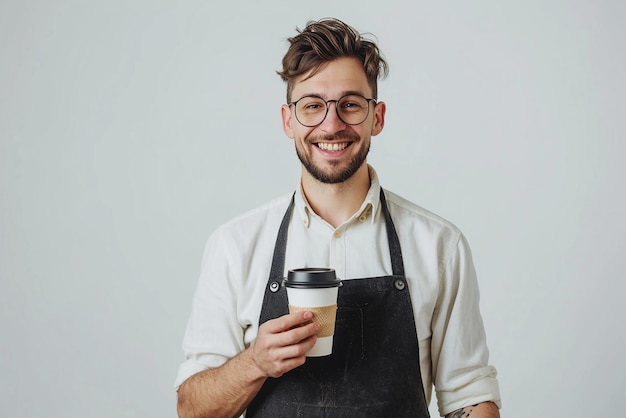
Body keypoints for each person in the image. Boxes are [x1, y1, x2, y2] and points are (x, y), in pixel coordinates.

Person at [175, 17, 501, 418]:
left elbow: (469, 396)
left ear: (376, 117)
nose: (331, 124)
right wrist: (254, 363)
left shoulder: (438, 245)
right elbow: (192, 410)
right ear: (288, 120)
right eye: (312, 106)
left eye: (350, 105)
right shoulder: (235, 245)